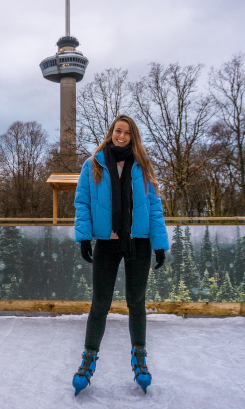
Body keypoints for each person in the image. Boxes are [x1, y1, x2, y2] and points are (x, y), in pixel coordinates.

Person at [72, 114, 169, 396]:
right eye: (118, 131)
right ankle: (88, 359)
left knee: (136, 301)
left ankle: (139, 358)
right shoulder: (93, 164)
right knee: (100, 303)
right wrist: (84, 237)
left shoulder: (143, 165)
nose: (121, 136)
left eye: (127, 132)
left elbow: (154, 205)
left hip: (138, 242)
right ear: (111, 133)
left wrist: (159, 242)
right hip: (106, 242)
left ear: (132, 135)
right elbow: (82, 202)